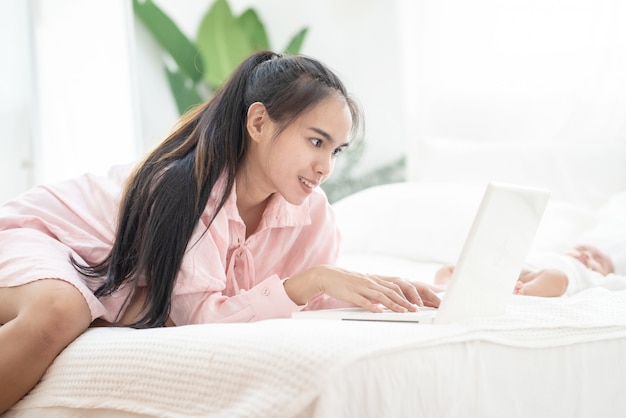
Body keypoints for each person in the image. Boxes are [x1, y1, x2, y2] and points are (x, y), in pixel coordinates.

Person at [0, 51, 440, 413]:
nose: (326, 167)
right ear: (259, 123)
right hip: (45, 236)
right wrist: (311, 280)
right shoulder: (189, 189)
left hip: (111, 272)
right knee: (61, 311)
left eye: (336, 150)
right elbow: (205, 316)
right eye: (315, 141)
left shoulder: (311, 212)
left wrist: (428, 289)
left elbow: (315, 299)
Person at [434, 244, 619, 297]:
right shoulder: (549, 252)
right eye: (580, 249)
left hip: (536, 278)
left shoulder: (593, 276)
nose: (586, 255)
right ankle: (444, 288)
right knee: (450, 268)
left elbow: (617, 282)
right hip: (508, 270)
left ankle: (525, 292)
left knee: (556, 277)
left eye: (597, 260)